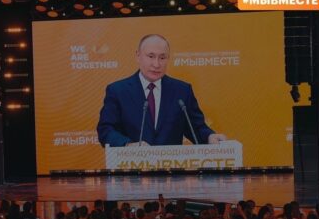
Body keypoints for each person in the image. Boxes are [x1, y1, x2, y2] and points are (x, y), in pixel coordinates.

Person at [97, 34, 226, 147]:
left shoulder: (182, 91)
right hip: (131, 165)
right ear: (138, 56)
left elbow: (196, 127)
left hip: (171, 166)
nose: (157, 64)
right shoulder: (118, 91)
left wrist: (209, 137)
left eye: (162, 58)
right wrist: (128, 145)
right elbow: (106, 130)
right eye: (151, 56)